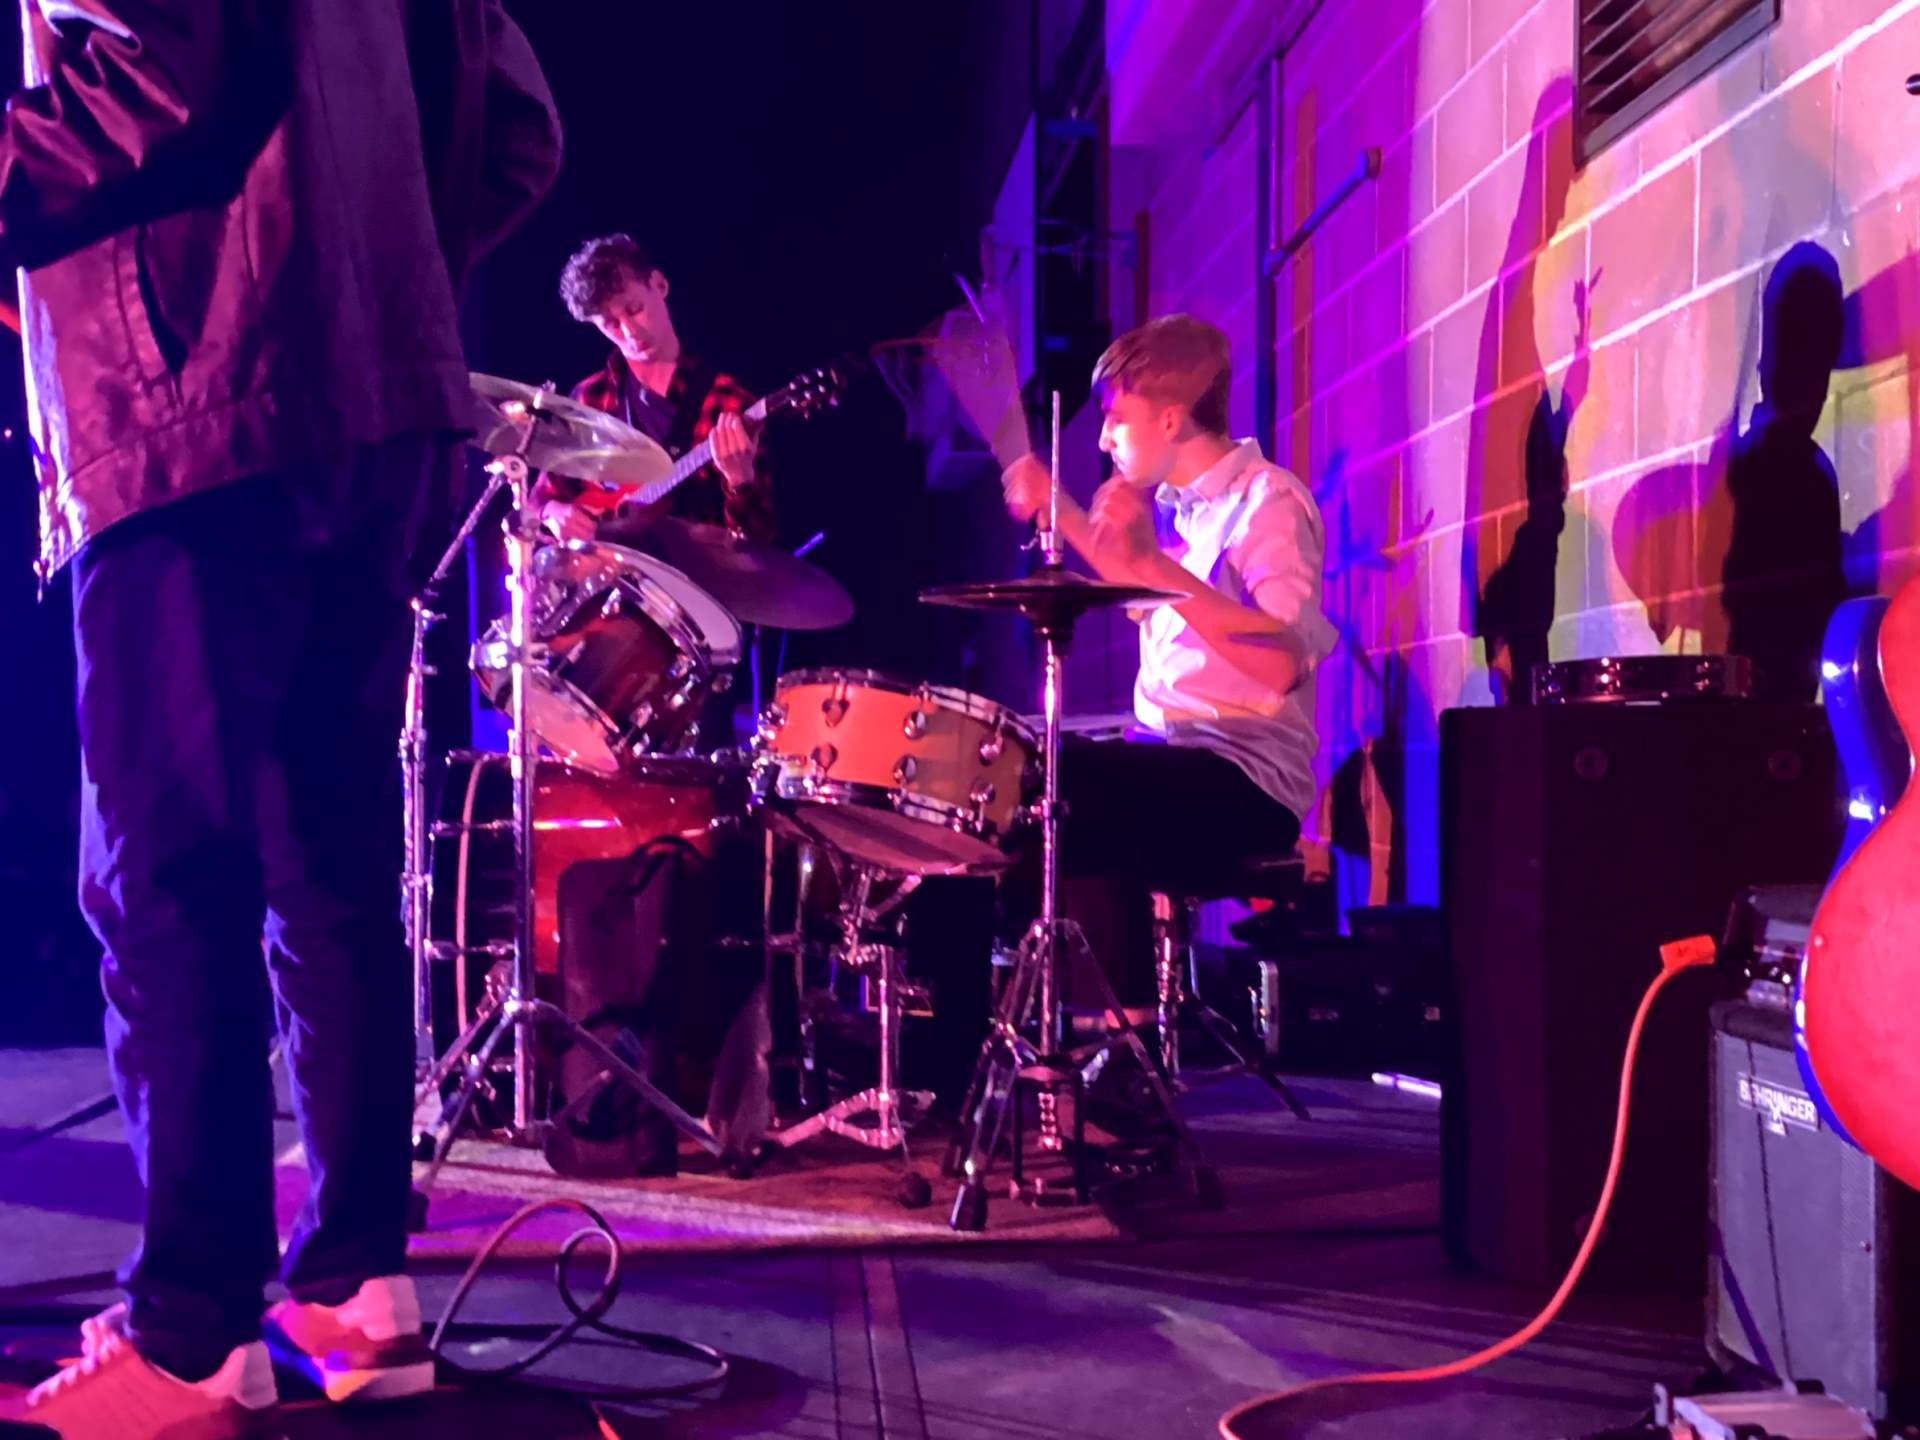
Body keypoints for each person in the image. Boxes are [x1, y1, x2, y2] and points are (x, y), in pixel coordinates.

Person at [0, 2, 561, 1435]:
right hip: (383, 402)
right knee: (331, 871)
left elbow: (155, 75)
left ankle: (193, 1334)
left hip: (193, 404)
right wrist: (367, 278)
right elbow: (516, 134)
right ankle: (359, 1290)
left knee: (167, 878)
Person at [1001, 314, 1336, 1020]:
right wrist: (1057, 508)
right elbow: (1132, 569)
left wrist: (1152, 562)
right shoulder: (1190, 514)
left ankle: (1123, 1047)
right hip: (1180, 759)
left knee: (1069, 785)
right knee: (1015, 780)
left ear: (1171, 418)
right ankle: (1072, 1031)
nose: (1103, 439)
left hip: (1246, 783)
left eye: (1116, 419)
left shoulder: (1268, 503)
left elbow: (1282, 663)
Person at [533, 233, 775, 543]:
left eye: (635, 309)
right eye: (611, 324)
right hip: (610, 572)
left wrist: (740, 481)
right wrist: (552, 512)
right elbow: (538, 499)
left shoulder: (726, 402)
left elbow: (759, 544)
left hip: (693, 571)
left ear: (659, 285)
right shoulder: (589, 398)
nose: (630, 332)